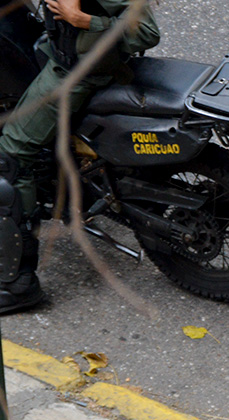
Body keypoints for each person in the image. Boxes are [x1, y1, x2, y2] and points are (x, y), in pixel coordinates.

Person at [0, 0, 160, 314]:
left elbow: (146, 31)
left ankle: (17, 284)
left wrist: (82, 20)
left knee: (12, 155)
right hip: (63, 50)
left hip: (82, 70)